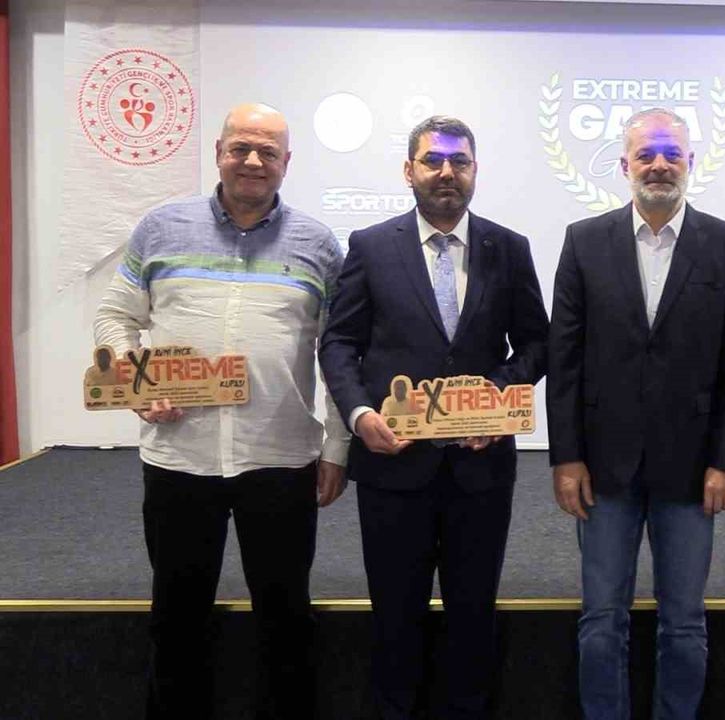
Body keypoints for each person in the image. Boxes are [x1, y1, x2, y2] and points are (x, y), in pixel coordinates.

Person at [93, 103, 348, 720]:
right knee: (176, 619)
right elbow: (115, 316)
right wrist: (133, 380)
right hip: (179, 458)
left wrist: (337, 449)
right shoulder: (160, 227)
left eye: (268, 152)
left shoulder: (319, 244)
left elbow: (339, 352)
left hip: (280, 458)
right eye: (241, 148)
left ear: (287, 162)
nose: (253, 161)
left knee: (285, 620)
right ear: (218, 153)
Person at [318, 115, 548, 720]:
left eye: (459, 161)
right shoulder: (371, 246)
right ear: (409, 170)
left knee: (474, 614)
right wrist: (358, 413)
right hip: (392, 465)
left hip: (481, 468)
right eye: (433, 160)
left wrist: (497, 399)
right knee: (396, 615)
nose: (447, 172)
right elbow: (339, 342)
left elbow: (536, 343)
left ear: (475, 170)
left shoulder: (508, 247)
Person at [546, 107, 725, 719]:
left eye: (671, 154)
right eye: (646, 154)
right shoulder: (583, 240)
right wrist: (566, 457)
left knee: (684, 623)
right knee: (601, 622)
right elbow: (565, 357)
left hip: (693, 469)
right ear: (624, 166)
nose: (659, 165)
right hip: (602, 467)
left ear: (691, 162)